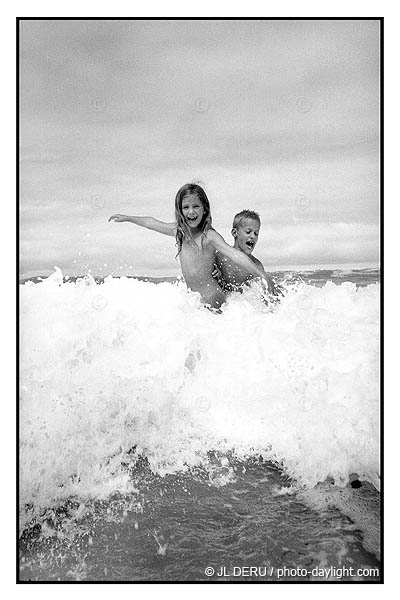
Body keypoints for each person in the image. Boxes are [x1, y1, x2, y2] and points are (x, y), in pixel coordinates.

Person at [109, 184, 274, 310]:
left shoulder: (209, 236)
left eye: (196, 206)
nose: (191, 211)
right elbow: (151, 223)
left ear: (204, 209)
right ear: (180, 210)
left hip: (213, 298)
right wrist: (128, 218)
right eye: (186, 207)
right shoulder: (179, 232)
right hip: (194, 299)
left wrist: (261, 274)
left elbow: (235, 255)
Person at [213, 209, 279, 295]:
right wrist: (217, 276)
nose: (253, 236)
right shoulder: (221, 257)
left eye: (256, 233)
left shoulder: (256, 265)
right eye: (248, 232)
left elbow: (262, 293)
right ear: (234, 233)